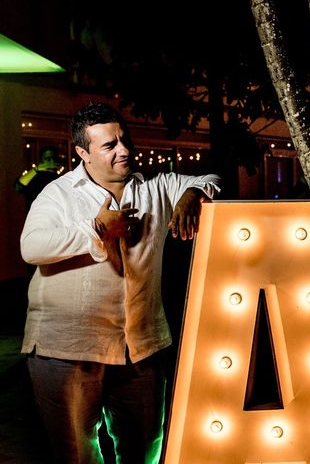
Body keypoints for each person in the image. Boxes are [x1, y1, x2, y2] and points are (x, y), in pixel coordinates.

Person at [19, 102, 221, 463]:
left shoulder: (157, 187)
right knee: (77, 456)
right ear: (83, 152)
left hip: (140, 349)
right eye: (109, 145)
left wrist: (194, 194)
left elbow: (212, 180)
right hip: (67, 349)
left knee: (146, 450)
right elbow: (31, 247)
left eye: (124, 140)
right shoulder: (58, 194)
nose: (124, 150)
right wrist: (97, 232)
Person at [15, 145, 63, 211]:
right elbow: (18, 187)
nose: (51, 161)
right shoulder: (34, 177)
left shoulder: (60, 178)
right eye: (48, 158)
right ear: (41, 160)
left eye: (54, 158)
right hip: (36, 216)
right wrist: (37, 169)